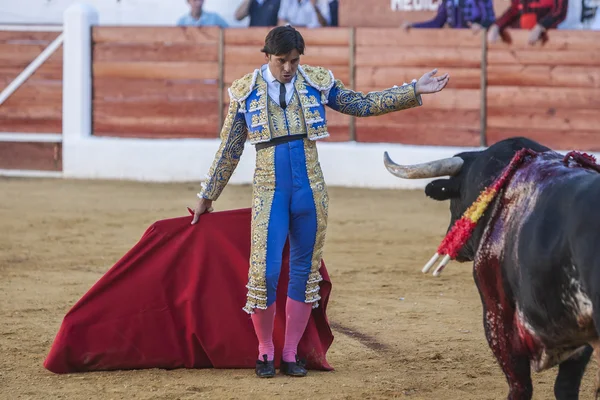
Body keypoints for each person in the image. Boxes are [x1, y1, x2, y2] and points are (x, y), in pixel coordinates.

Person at [191, 25, 449, 378]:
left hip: (310, 190)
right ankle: (265, 350)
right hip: (269, 191)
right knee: (264, 272)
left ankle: (291, 351)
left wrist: (413, 90)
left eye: (294, 61)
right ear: (267, 56)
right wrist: (208, 195)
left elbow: (360, 104)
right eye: (281, 61)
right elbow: (229, 149)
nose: (288, 68)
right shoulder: (245, 91)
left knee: (303, 272)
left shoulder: (314, 80)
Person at [487, 0, 568, 44]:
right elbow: (514, 10)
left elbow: (559, 12)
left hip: (546, 41)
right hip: (519, 41)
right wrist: (497, 25)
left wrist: (541, 26)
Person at [402, 0, 495, 32]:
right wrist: (413, 26)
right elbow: (437, 23)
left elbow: (490, 18)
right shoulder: (448, 0)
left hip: (476, 43)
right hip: (455, 44)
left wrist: (481, 26)